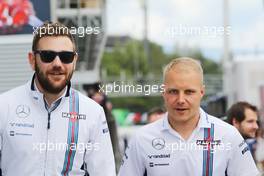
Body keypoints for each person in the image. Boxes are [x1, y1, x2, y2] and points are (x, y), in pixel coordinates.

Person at [0, 22, 115, 176]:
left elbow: (104, 173)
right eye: (48, 56)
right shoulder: (4, 106)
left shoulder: (93, 112)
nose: (57, 64)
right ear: (32, 60)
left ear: (74, 61)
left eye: (66, 57)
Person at [118, 57, 259, 176]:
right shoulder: (141, 139)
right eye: (173, 91)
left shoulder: (227, 135)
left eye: (189, 92)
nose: (180, 99)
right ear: (164, 92)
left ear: (202, 92)